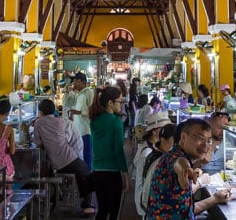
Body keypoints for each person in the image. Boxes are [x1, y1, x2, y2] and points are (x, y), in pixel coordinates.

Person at [146, 118, 231, 219]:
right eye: (200, 138)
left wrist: (215, 199)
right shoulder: (174, 157)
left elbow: (186, 210)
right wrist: (184, 169)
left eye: (208, 140)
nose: (205, 145)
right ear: (183, 138)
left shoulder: (174, 157)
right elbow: (179, 162)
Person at [33, 99, 94, 214]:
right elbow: (66, 138)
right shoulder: (61, 121)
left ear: (40, 112)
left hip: (56, 162)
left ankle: (58, 194)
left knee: (77, 172)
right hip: (68, 158)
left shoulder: (38, 123)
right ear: (54, 110)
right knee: (85, 173)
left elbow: (37, 142)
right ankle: (86, 205)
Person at [89, 86, 130, 220]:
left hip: (97, 171)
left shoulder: (94, 120)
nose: (121, 104)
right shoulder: (116, 122)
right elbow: (118, 151)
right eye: (119, 101)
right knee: (113, 212)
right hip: (112, 172)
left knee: (102, 210)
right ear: (110, 103)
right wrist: (126, 174)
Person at [133, 111, 171, 216]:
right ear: (155, 131)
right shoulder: (147, 153)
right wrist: (142, 208)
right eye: (164, 129)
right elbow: (141, 182)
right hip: (147, 206)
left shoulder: (154, 147)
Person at [69, 72, 94, 168]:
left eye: (76, 81)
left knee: (87, 154)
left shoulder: (88, 93)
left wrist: (78, 113)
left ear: (82, 82)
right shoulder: (79, 94)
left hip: (85, 130)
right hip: (78, 129)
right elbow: (67, 103)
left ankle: (88, 174)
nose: (74, 83)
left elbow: (92, 111)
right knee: (80, 154)